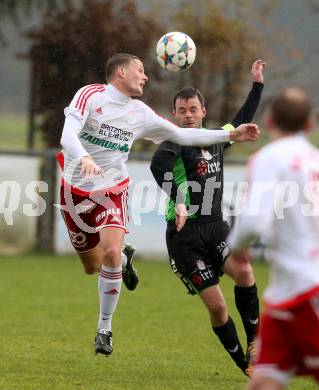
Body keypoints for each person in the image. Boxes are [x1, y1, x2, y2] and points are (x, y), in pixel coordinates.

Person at [59, 53, 260, 357]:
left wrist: (231, 133)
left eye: (194, 109)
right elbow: (66, 135)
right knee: (93, 266)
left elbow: (183, 134)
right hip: (74, 192)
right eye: (140, 70)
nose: (145, 76)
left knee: (111, 251)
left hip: (112, 189)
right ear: (122, 72)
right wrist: (84, 158)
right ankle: (123, 263)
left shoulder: (140, 113)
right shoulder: (90, 96)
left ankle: (104, 328)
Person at [150, 59, 265, 376]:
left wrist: (257, 84)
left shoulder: (216, 137)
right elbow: (158, 167)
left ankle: (255, 344)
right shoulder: (173, 142)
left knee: (244, 271)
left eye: (193, 109)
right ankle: (244, 363)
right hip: (184, 236)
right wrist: (179, 200)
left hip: (216, 228)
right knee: (217, 307)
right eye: (182, 110)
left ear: (203, 111)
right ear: (174, 114)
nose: (188, 115)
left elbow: (240, 122)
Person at [227, 88, 319, 389]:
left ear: (268, 120)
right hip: (287, 296)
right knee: (262, 381)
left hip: (308, 291)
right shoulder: (315, 160)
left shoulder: (269, 158)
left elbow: (253, 220)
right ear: (309, 125)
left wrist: (236, 246)